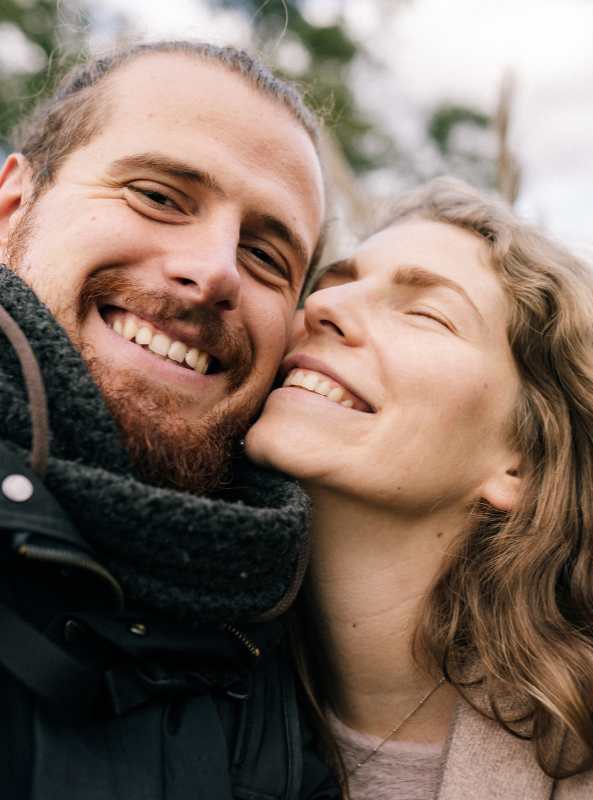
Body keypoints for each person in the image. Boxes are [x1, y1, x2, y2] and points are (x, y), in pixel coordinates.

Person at [0, 40, 339, 799]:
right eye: (158, 196)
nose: (216, 269)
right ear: (12, 207)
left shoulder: (296, 658)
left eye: (266, 257)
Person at [246, 177, 593, 799]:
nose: (324, 307)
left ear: (521, 464)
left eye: (425, 314)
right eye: (332, 283)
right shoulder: (175, 675)